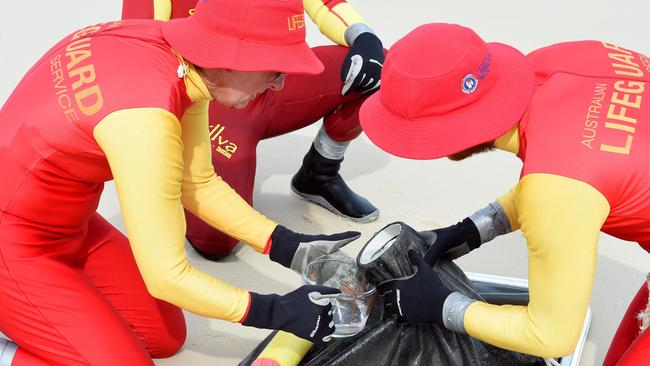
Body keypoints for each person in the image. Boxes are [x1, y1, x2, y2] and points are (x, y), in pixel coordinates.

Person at [0, 0, 362, 364]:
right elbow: (166, 275)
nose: (280, 83)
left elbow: (198, 182)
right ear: (231, 58)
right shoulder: (145, 119)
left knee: (164, 338)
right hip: (14, 244)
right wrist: (275, 310)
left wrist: (284, 243)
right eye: (275, 70)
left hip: (70, 226)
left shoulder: (180, 58)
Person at [359, 23, 650, 364]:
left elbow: (551, 335)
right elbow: (587, 169)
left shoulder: (555, 190)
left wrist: (442, 307)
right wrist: (475, 229)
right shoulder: (564, 59)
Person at [122, 0, 385, 260]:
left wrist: (362, 35)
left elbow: (324, 3)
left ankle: (319, 173)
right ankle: (178, 178)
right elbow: (143, 47)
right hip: (215, 93)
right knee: (216, 241)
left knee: (376, 66)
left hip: (271, 77)